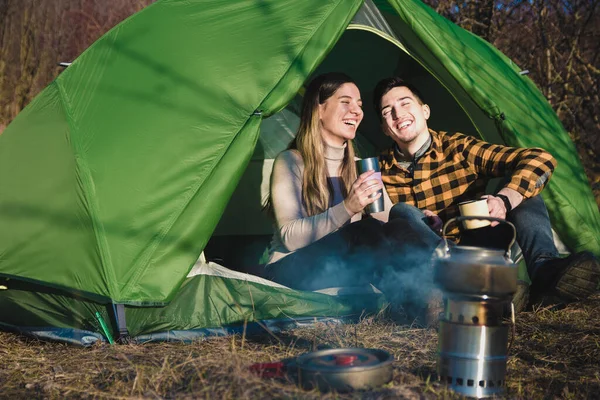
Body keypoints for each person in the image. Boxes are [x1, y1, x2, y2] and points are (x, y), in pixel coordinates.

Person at [372, 76, 600, 311]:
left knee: (520, 185)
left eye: (405, 103)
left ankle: (545, 271)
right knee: (402, 213)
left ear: (425, 110)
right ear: (384, 128)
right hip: (434, 272)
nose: (399, 114)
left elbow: (540, 158)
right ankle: (485, 289)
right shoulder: (377, 170)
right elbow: (374, 230)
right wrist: (420, 226)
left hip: (481, 249)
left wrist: (504, 199)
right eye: (388, 111)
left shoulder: (458, 148)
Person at [263, 72, 430, 300]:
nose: (357, 111)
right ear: (318, 110)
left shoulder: (358, 166)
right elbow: (289, 238)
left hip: (339, 264)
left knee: (400, 222)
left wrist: (420, 224)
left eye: (359, 105)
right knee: (364, 230)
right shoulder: (292, 161)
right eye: (345, 102)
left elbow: (387, 221)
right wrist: (348, 207)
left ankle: (431, 289)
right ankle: (409, 301)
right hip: (289, 267)